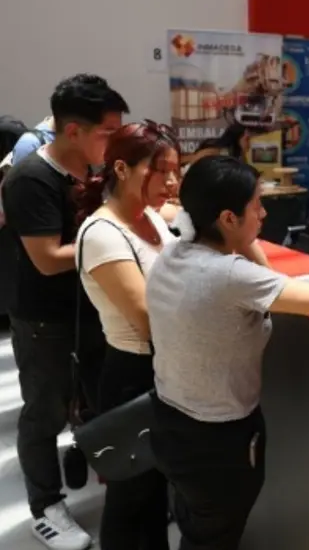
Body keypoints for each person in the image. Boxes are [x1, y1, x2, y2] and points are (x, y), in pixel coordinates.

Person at [146, 155, 309, 549]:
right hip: (218, 440)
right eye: (256, 205)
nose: (264, 214)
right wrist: (246, 242)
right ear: (227, 218)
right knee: (216, 535)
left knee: (198, 525)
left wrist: (241, 236)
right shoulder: (230, 275)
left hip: (170, 421)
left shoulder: (175, 252)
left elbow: (262, 275)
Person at [1, 73, 129, 550]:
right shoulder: (31, 178)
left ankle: (114, 476)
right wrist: (118, 241)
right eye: (107, 132)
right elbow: (48, 258)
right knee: (44, 413)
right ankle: (46, 507)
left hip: (92, 310)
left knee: (100, 398)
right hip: (44, 320)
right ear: (73, 130)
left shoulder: (94, 173)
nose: (113, 142)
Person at [75, 120, 181, 550]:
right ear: (121, 169)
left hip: (164, 368)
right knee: (130, 495)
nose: (172, 182)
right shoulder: (102, 234)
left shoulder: (150, 216)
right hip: (132, 374)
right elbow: (148, 321)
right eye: (161, 171)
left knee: (154, 494)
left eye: (176, 171)